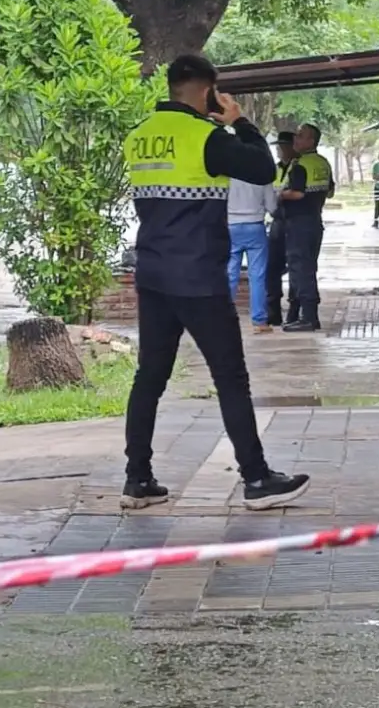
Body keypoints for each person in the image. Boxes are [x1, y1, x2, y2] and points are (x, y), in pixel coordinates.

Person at [121, 54, 311, 511]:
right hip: (200, 277)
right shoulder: (207, 137)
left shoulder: (138, 138)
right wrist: (240, 122)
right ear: (207, 90)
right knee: (230, 378)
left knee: (150, 376)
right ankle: (257, 479)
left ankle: (137, 479)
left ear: (170, 87)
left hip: (153, 274)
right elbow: (264, 170)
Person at [280, 122, 334, 333]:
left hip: (299, 222)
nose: (296, 139)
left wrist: (278, 194)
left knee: (300, 269)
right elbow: (330, 191)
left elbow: (297, 193)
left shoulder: (300, 165)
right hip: (315, 221)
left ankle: (308, 317)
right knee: (309, 267)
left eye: (301, 136)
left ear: (311, 141)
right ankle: (304, 314)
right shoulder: (323, 163)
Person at [227, 173, 278, 334]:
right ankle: (259, 321)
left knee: (229, 274)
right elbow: (272, 207)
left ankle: (223, 319)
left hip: (230, 226)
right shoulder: (262, 175)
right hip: (255, 227)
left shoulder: (225, 175)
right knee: (257, 275)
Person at [266, 131, 297, 326]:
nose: (280, 150)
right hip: (277, 222)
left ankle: (294, 311)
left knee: (295, 268)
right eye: (278, 147)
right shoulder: (274, 170)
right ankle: (273, 311)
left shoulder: (300, 167)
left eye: (283, 146)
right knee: (272, 268)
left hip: (295, 222)